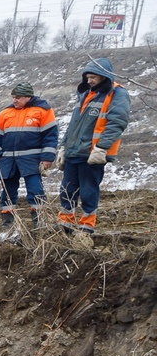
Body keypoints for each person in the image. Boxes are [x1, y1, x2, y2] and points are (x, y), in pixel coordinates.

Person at [56, 57, 131, 239]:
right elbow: (74, 125)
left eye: (93, 77)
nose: (89, 81)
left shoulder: (117, 94)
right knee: (67, 189)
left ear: (104, 76)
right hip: (75, 151)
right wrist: (63, 147)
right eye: (87, 77)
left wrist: (101, 148)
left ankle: (86, 226)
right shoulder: (85, 95)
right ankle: (65, 222)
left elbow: (117, 123)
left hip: (92, 154)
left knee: (89, 190)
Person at [0, 81, 57, 242]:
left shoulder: (43, 110)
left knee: (36, 190)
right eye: (13, 97)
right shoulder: (5, 113)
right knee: (7, 192)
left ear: (28, 97)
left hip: (31, 159)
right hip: (7, 160)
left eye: (18, 97)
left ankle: (40, 223)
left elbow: (50, 136)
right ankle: (8, 225)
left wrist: (47, 158)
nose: (14, 100)